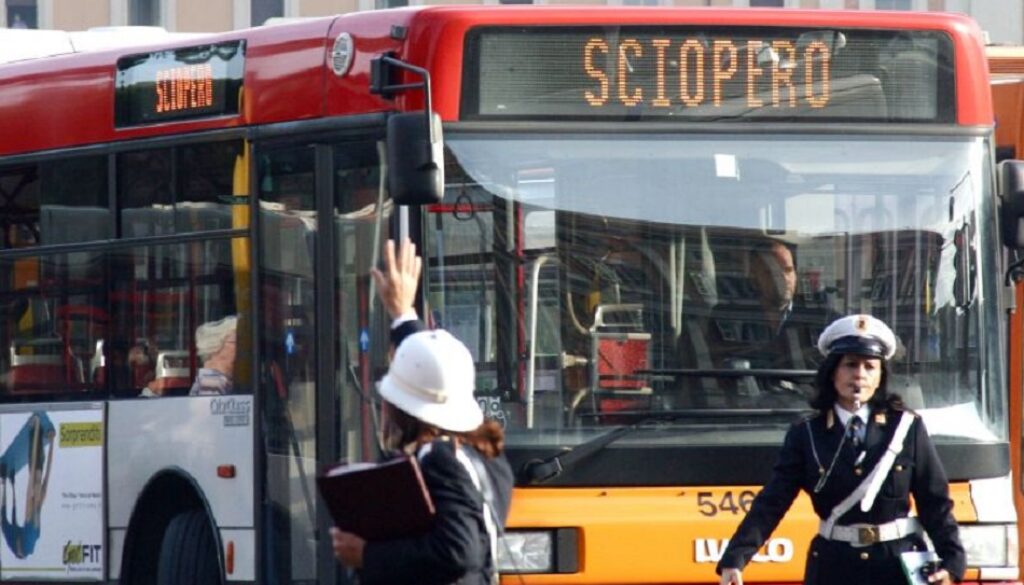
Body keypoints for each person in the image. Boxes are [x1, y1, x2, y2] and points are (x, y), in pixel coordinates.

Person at [716, 314, 964, 585]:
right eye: (850, 365)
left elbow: (935, 502)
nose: (859, 375)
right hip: (834, 566)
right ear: (832, 371)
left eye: (870, 366)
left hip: (896, 566)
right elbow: (773, 501)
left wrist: (952, 563)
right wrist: (736, 558)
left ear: (880, 376)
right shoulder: (807, 433)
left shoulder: (906, 427)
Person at [330, 238, 513, 585]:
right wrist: (403, 316)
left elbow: (459, 551)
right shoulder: (486, 455)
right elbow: (435, 373)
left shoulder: (440, 459)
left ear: (402, 408)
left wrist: (366, 555)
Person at [0, 412, 55, 559]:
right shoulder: (38, 504)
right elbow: (47, 471)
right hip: (25, 540)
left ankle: (6, 480)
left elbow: (4, 517)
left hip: (20, 539)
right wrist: (51, 439)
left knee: (34, 472)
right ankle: (35, 432)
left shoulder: (29, 513)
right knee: (37, 469)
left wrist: (5, 484)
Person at [190, 315, 238, 396]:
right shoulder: (211, 383)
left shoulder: (220, 381)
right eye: (235, 341)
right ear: (216, 346)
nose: (240, 346)